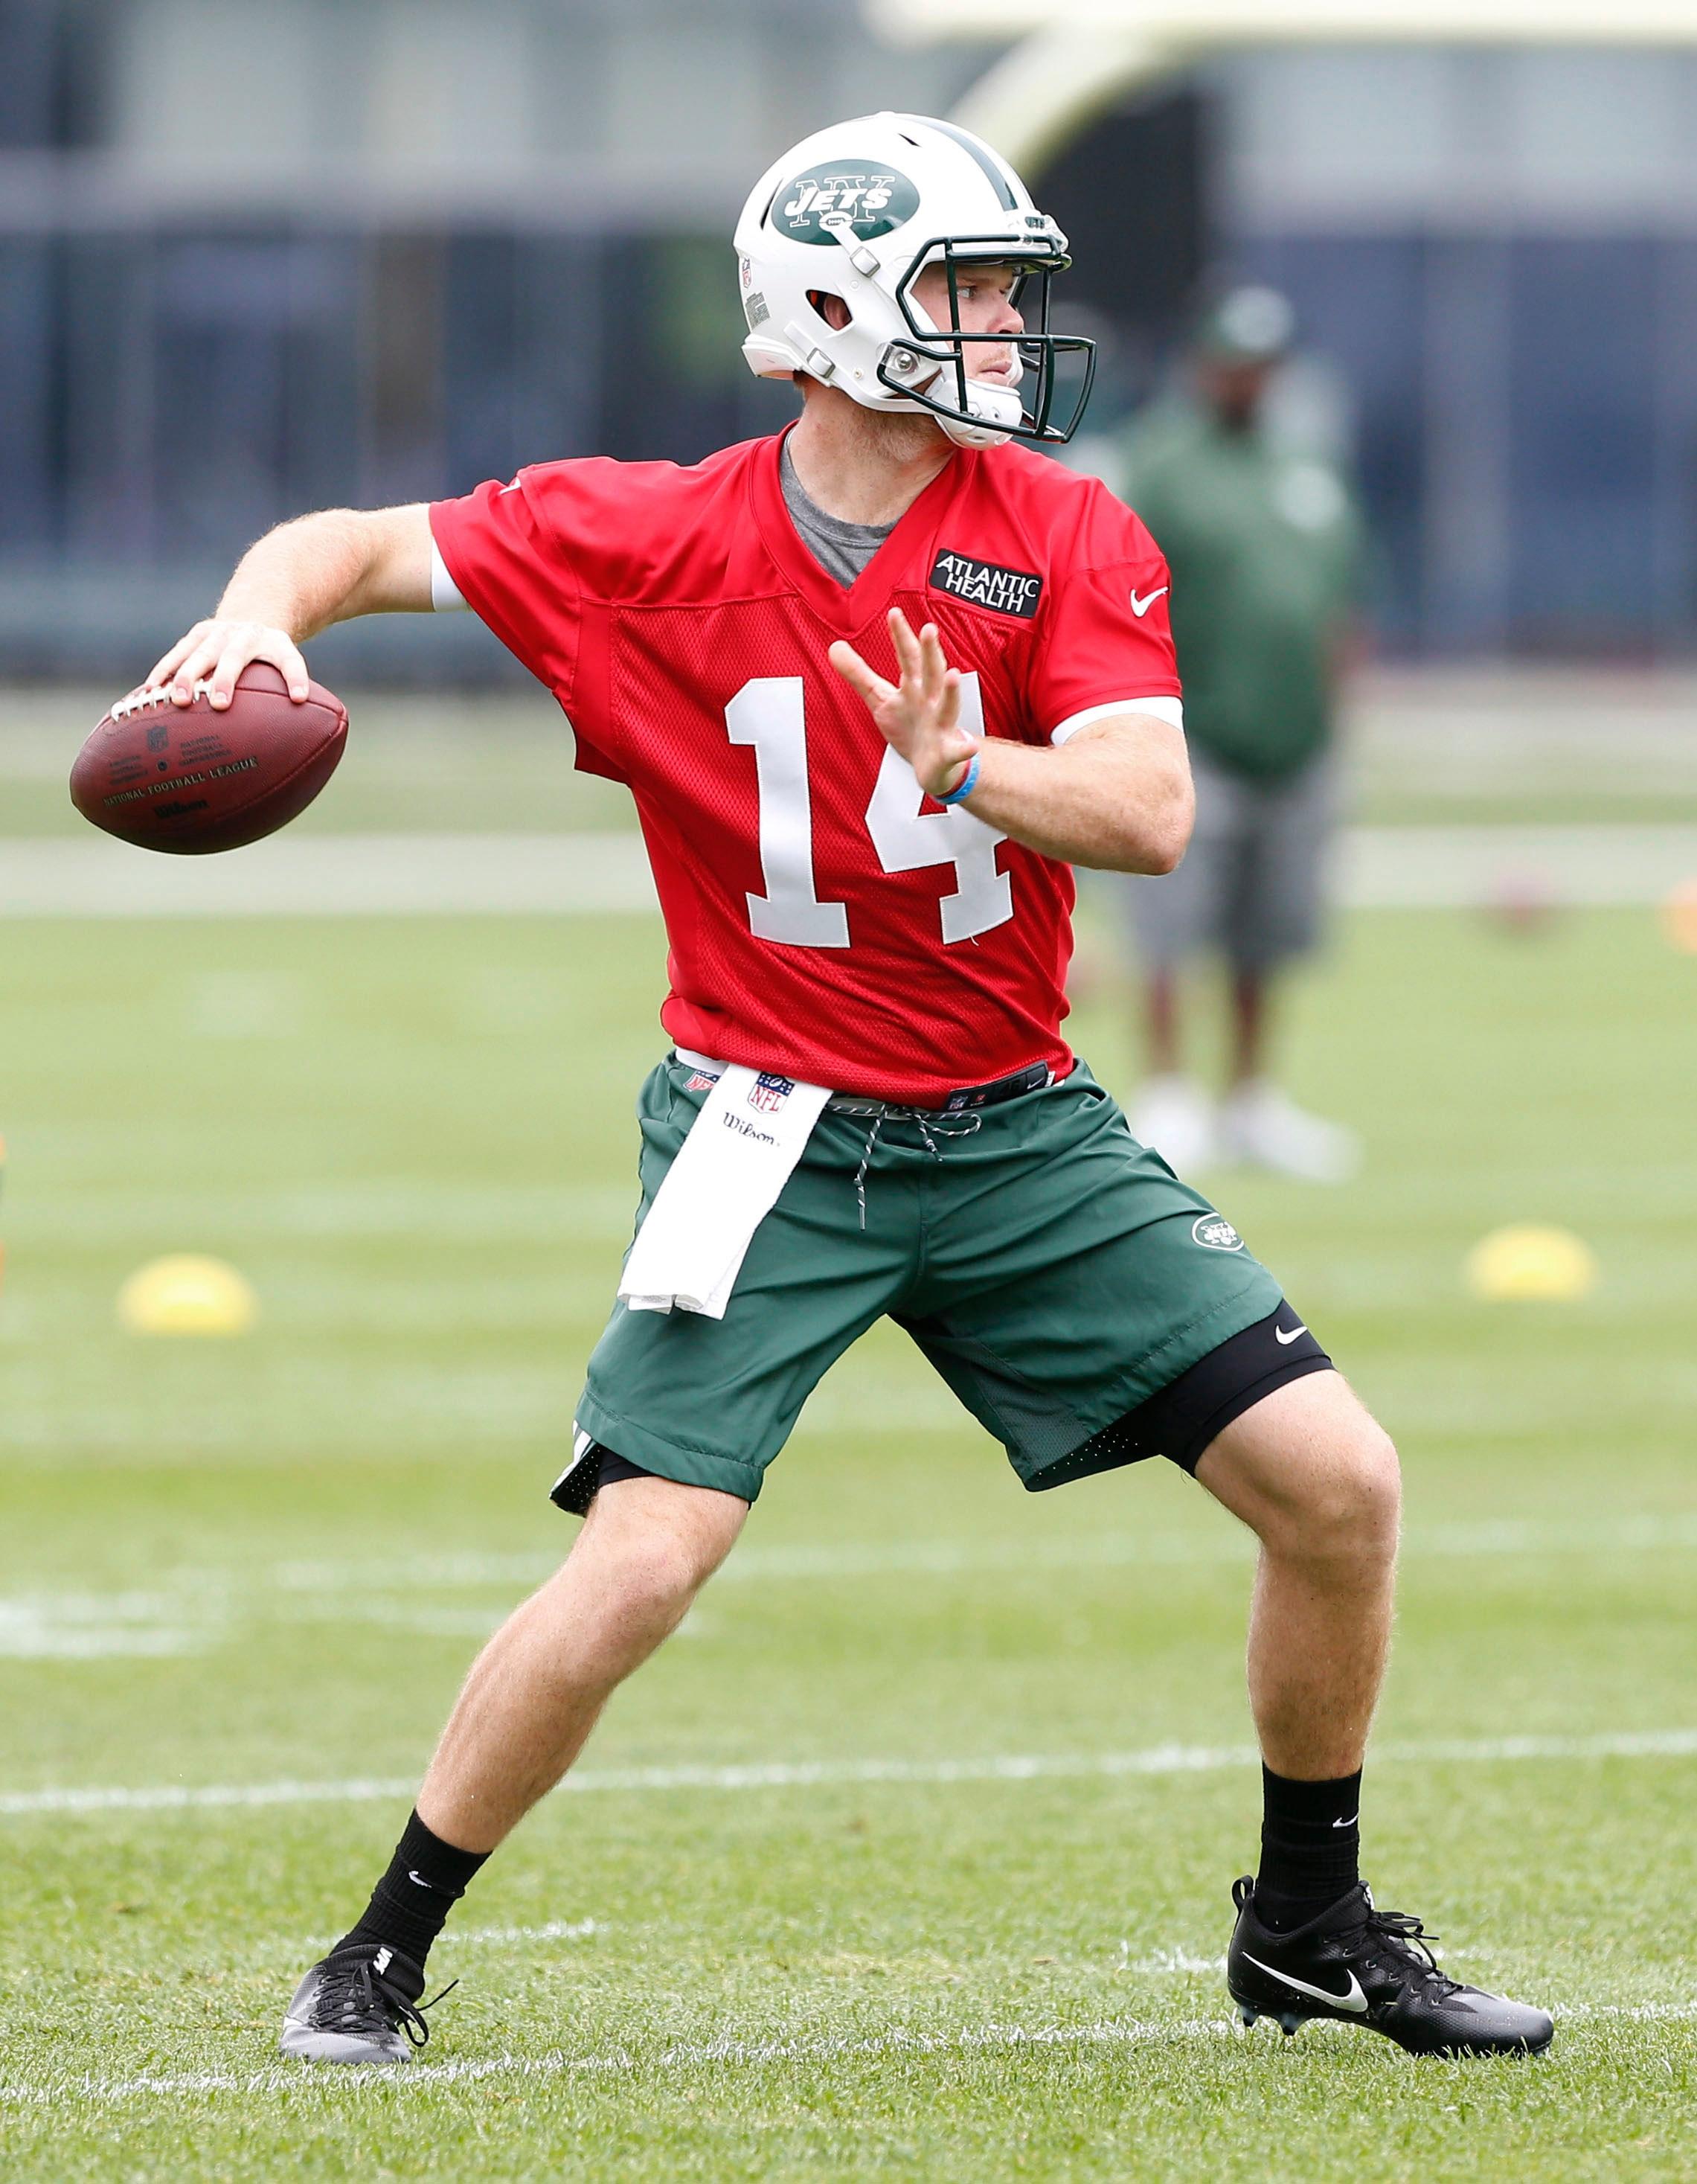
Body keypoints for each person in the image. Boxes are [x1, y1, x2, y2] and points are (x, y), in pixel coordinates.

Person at [141, 113, 1550, 2064]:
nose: (1007, 327)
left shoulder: (1065, 524)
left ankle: (1306, 1919)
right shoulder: (646, 530)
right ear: (831, 315)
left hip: (1014, 1116)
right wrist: (252, 619)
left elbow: (1148, 808)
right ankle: (377, 1945)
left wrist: (972, 767)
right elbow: (363, 544)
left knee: (1339, 1484)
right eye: (968, 286)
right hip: (770, 1121)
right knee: (646, 1549)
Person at [1117, 287, 1364, 1182]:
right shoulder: (1162, 464)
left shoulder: (1306, 466)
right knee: (1171, 922)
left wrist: (1338, 710)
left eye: (1262, 365)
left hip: (1296, 736)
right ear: (1203, 364)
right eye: (1233, 362)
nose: (1246, 379)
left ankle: (1252, 1097)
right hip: (1198, 734)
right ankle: (1170, 1089)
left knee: (1270, 929)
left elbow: (1337, 595)